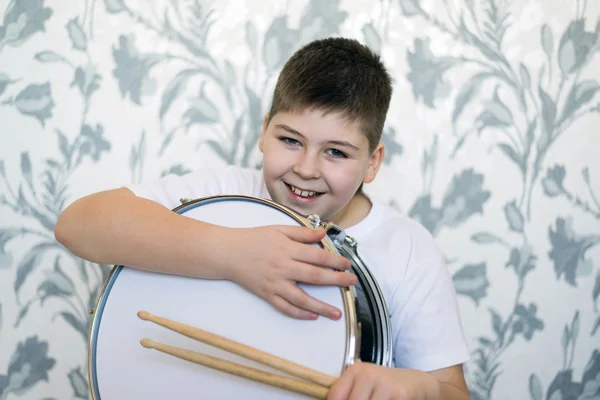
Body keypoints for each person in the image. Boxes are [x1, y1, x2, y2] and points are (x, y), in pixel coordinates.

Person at [55, 37, 471, 399]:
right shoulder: (221, 192)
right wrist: (234, 252)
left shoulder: (409, 249)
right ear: (264, 131)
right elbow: (77, 224)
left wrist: (421, 389)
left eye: (337, 152)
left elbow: (452, 392)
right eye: (290, 140)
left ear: (373, 162)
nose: (306, 168)